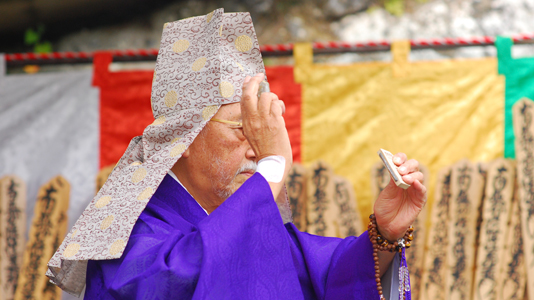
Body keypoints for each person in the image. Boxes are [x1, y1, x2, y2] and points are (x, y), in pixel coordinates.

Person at [47, 9, 426, 300]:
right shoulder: (128, 237)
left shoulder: (250, 226)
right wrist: (273, 166)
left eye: (262, 133)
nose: (257, 148)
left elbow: (331, 275)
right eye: (241, 129)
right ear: (184, 138)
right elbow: (188, 275)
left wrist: (384, 234)